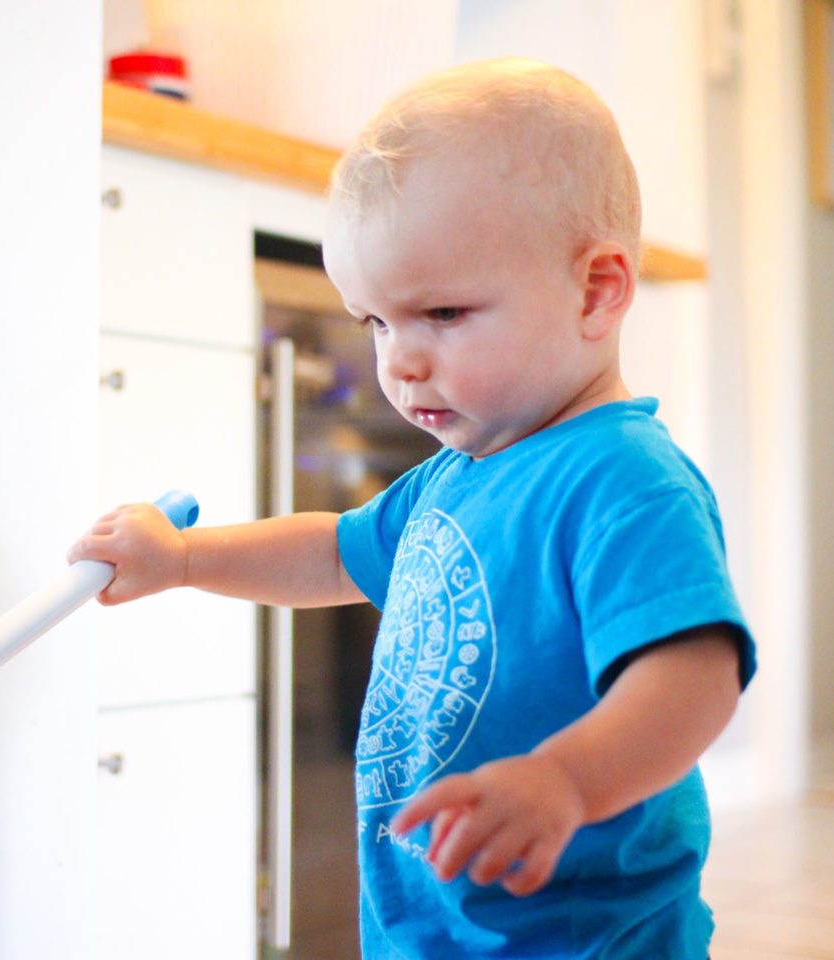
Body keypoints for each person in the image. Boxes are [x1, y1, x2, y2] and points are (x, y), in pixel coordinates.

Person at [68, 57, 755, 959]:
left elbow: (695, 676)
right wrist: (187, 561)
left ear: (597, 290)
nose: (401, 363)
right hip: (432, 925)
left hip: (582, 935)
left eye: (440, 311)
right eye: (376, 322)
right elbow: (331, 553)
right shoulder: (457, 473)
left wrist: (567, 783)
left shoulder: (622, 479)